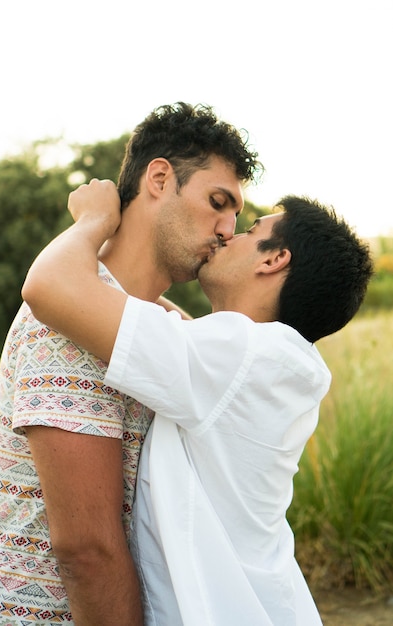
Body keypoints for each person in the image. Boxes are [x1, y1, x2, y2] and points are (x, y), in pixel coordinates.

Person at [22, 180, 374, 625]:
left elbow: (51, 286)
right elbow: (165, 323)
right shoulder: (278, 360)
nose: (229, 233)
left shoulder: (237, 353)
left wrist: (94, 221)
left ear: (274, 258)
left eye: (249, 230)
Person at [0, 104, 261, 625]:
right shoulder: (70, 318)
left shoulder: (136, 324)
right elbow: (87, 551)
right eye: (219, 203)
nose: (228, 230)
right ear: (159, 178)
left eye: (237, 215)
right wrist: (94, 222)